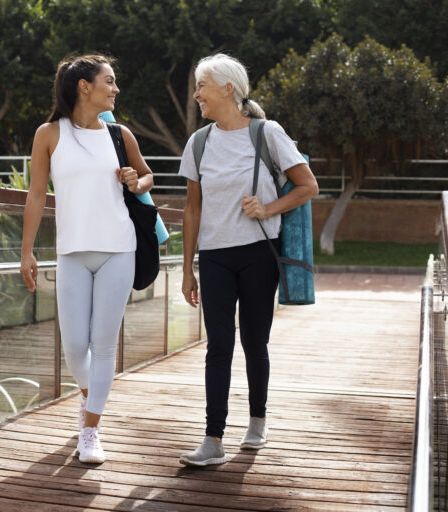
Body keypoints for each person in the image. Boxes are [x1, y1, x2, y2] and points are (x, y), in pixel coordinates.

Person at [177, 54, 318, 466]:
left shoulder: (266, 133)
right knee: (218, 345)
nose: (196, 94)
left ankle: (257, 421)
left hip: (259, 254)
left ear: (227, 88)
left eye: (201, 86)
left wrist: (268, 208)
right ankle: (213, 439)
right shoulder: (198, 142)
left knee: (255, 341)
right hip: (215, 257)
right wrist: (188, 268)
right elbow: (191, 210)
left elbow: (307, 185)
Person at [20, 54, 154, 464]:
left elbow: (148, 177)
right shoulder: (49, 134)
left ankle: (90, 429)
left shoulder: (119, 134)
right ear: (84, 86)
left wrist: (136, 180)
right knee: (75, 346)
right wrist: (26, 250)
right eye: (109, 81)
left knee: (103, 343)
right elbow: (37, 194)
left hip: (119, 248)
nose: (115, 89)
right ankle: (88, 398)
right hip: (72, 252)